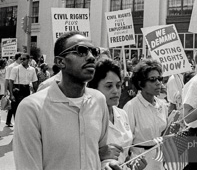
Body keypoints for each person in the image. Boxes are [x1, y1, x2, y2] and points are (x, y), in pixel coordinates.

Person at [13, 31, 121, 170]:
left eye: (94, 52)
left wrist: (108, 164)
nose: (91, 57)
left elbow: (103, 152)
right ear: (60, 62)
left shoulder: (99, 100)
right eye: (81, 51)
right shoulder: (32, 108)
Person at [88, 58, 147, 170]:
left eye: (118, 85)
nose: (116, 91)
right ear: (94, 88)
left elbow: (124, 152)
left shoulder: (122, 114)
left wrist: (131, 164)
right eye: (109, 86)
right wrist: (99, 154)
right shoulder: (88, 118)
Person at [124, 59, 168, 170]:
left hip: (159, 159)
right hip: (140, 162)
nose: (158, 83)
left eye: (160, 78)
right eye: (153, 79)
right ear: (141, 84)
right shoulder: (131, 107)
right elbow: (125, 142)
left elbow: (163, 133)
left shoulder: (162, 105)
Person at [4, 52, 22, 127]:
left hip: (20, 87)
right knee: (15, 104)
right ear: (17, 58)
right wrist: (6, 90)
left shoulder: (23, 67)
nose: (22, 60)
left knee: (14, 105)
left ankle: (8, 121)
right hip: (13, 87)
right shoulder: (10, 67)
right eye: (21, 58)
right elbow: (7, 79)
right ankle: (15, 123)